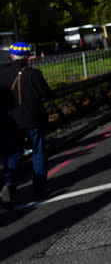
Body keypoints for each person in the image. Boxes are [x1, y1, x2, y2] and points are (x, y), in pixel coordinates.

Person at [1, 42, 52, 206]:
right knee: (38, 151)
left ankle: (9, 185)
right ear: (28, 57)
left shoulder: (1, 76)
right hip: (33, 120)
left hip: (11, 123)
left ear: (11, 56)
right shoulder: (34, 74)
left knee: (13, 155)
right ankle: (40, 188)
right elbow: (46, 96)